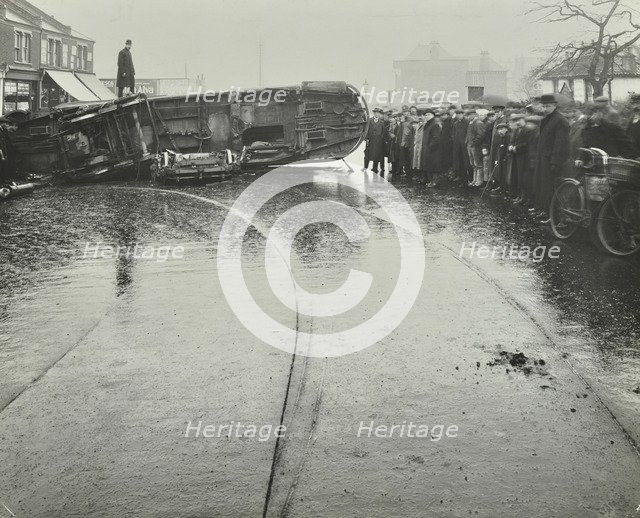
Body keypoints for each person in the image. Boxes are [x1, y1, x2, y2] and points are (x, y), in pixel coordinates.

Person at [536, 93, 570, 224]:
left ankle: (555, 217)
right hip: (544, 159)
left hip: (552, 161)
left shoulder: (560, 120)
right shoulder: (547, 119)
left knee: (553, 189)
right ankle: (546, 211)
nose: (545, 109)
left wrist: (555, 162)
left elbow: (561, 144)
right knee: (545, 187)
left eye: (547, 106)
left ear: (554, 105)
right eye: (543, 106)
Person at [467, 108, 488, 187]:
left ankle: (479, 181)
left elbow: (481, 135)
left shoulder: (478, 123)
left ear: (474, 115)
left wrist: (474, 143)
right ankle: (474, 180)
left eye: (469, 115)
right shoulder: (471, 123)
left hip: (476, 147)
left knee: (478, 165)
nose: (468, 117)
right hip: (470, 146)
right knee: (473, 164)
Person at [420, 109, 441, 187]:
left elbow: (436, 138)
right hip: (427, 148)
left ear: (433, 115)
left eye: (428, 115)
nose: (427, 116)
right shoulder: (427, 124)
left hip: (433, 150)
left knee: (434, 166)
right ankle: (431, 181)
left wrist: (430, 146)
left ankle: (434, 182)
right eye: (425, 115)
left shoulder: (434, 124)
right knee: (429, 165)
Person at [365, 108, 386, 174]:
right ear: (374, 113)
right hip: (370, 140)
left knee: (377, 154)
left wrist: (381, 138)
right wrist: (367, 138)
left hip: (378, 141)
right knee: (367, 153)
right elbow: (366, 130)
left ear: (379, 114)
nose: (376, 114)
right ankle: (365, 167)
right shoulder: (369, 120)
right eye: (375, 112)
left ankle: (375, 168)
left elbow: (384, 132)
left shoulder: (382, 122)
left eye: (378, 113)